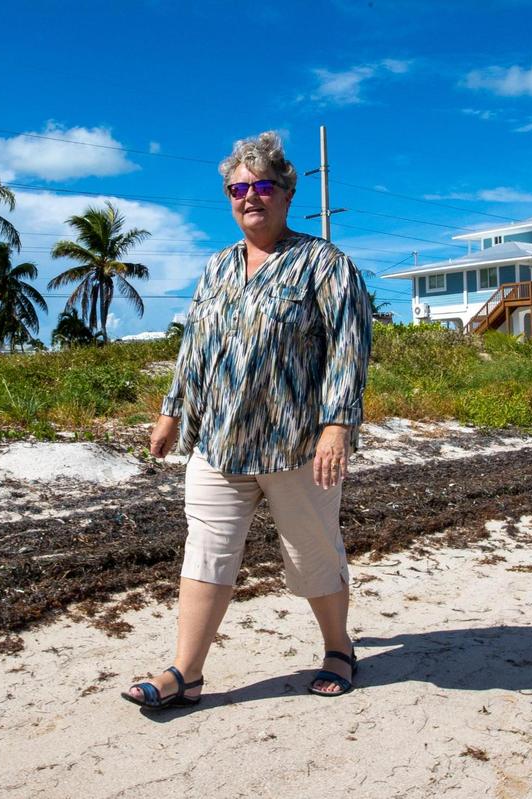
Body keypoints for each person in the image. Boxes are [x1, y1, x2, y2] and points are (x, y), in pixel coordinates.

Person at [122, 131, 372, 709]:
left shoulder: (324, 264)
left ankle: (338, 648)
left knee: (313, 554)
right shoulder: (216, 267)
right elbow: (194, 348)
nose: (250, 197)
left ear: (286, 193)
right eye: (238, 189)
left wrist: (337, 427)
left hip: (297, 445)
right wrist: (170, 412)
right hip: (217, 443)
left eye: (262, 186)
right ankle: (185, 673)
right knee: (205, 551)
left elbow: (349, 348)